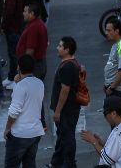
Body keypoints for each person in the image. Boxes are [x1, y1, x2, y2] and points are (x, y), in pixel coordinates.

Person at [3, 55, 44, 168]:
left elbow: (14, 112)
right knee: (30, 164)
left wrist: (7, 128)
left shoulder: (20, 86)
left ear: (18, 67)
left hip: (20, 134)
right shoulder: (40, 83)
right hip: (35, 132)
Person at [49, 36, 81, 168]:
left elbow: (65, 90)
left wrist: (58, 111)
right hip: (69, 109)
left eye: (60, 46)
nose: (57, 48)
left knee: (67, 137)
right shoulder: (71, 63)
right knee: (62, 136)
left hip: (67, 110)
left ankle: (69, 164)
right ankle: (56, 163)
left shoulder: (67, 66)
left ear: (67, 50)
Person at [80, 95, 121, 168]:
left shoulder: (119, 133)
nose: (105, 117)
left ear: (113, 114)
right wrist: (102, 143)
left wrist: (93, 141)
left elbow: (108, 159)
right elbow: (118, 150)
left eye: (105, 114)